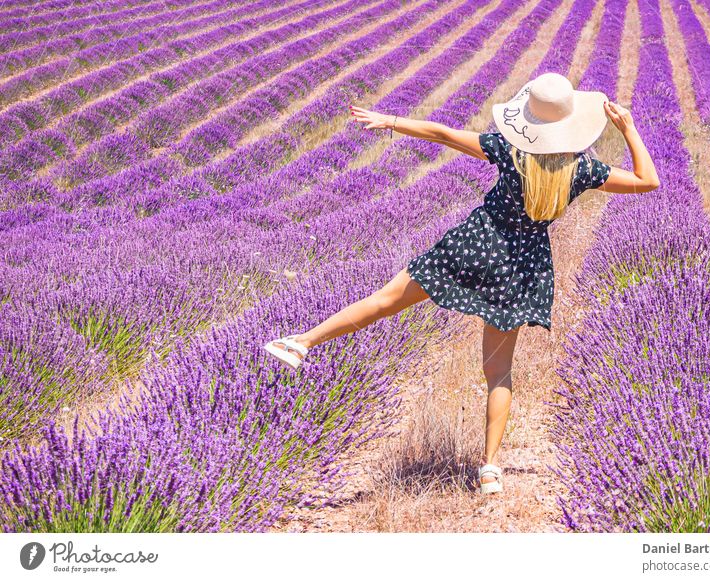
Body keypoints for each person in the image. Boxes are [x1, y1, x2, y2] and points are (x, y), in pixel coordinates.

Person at [264, 72, 660, 495]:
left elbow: (444, 134)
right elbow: (647, 181)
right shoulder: (582, 169)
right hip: (522, 267)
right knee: (499, 372)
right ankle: (489, 468)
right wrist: (630, 129)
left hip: (475, 244)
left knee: (384, 300)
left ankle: (302, 342)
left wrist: (392, 120)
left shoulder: (510, 151)